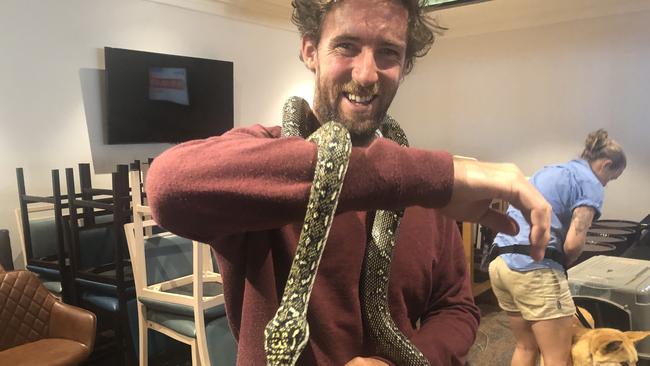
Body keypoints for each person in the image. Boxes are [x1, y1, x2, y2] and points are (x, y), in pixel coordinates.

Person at [146, 0, 551, 365]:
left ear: (405, 65)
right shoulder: (262, 170)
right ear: (310, 50)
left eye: (388, 52)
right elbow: (168, 184)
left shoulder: (423, 190)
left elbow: (457, 308)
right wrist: (436, 175)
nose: (366, 73)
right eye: (346, 46)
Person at [488, 129, 626, 366]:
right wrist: (565, 262)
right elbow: (573, 242)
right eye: (611, 178)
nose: (606, 184)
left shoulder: (550, 171)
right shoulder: (590, 183)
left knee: (525, 346)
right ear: (606, 164)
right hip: (533, 269)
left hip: (500, 264)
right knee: (557, 358)